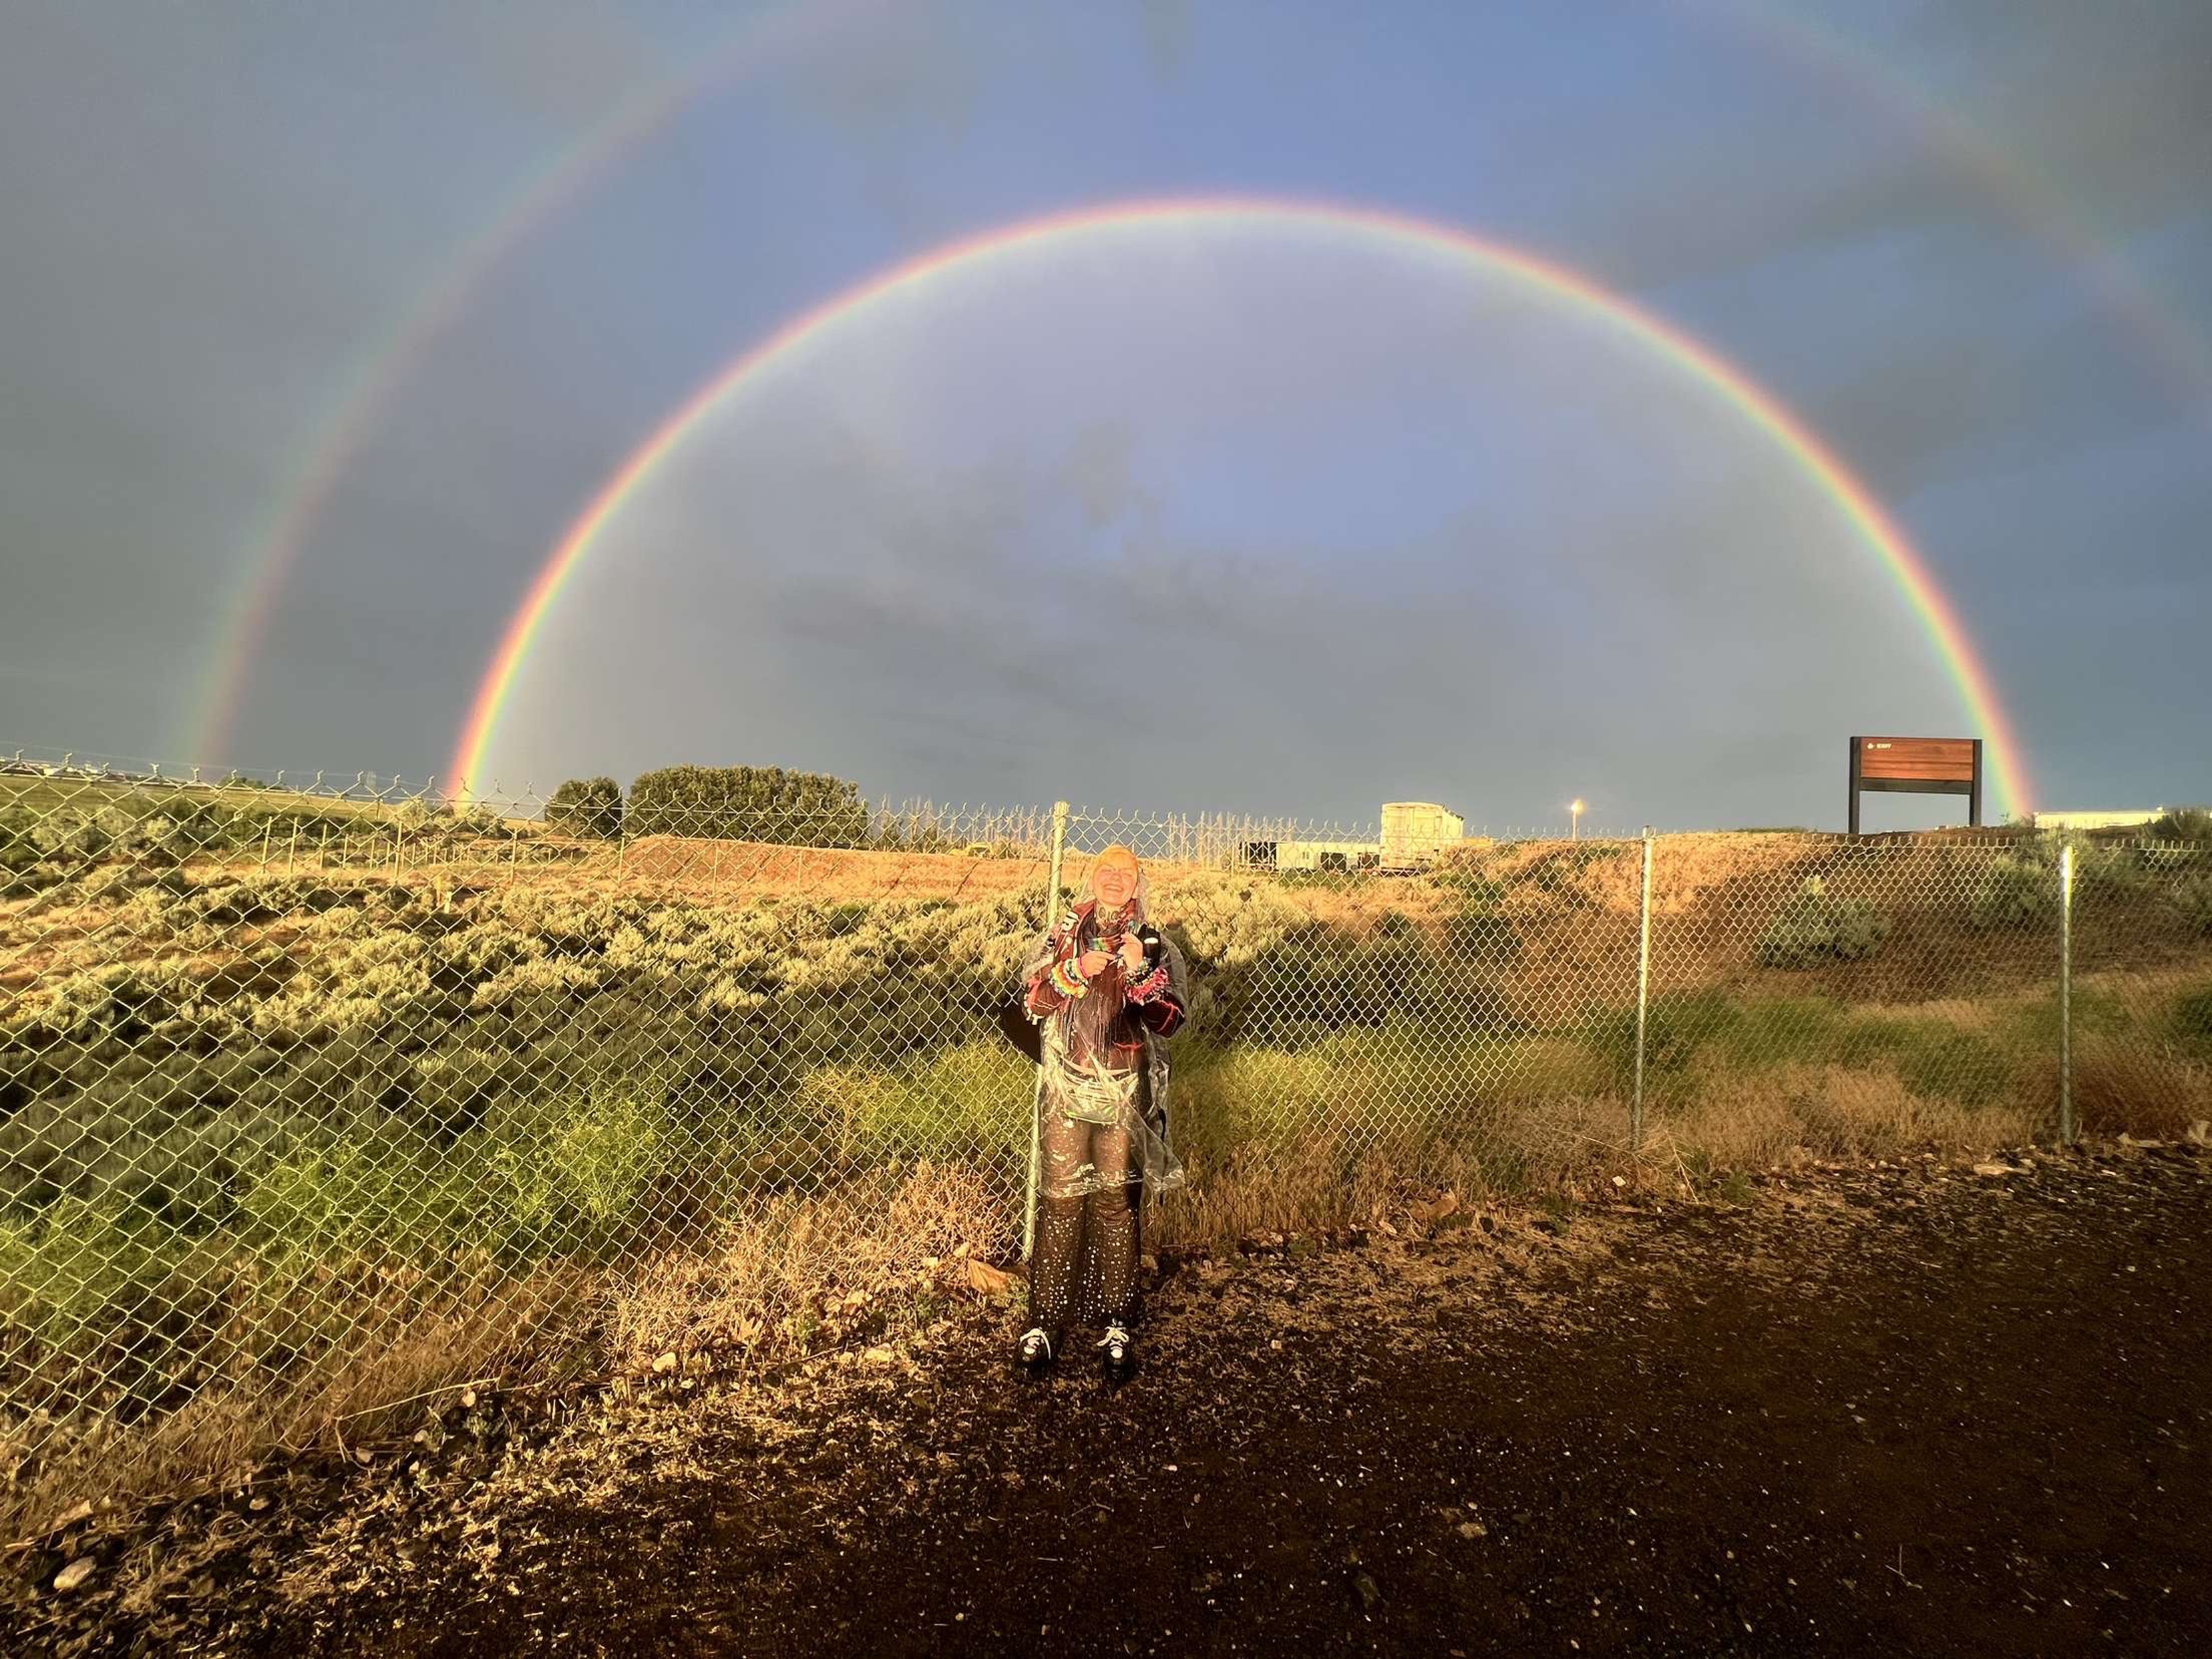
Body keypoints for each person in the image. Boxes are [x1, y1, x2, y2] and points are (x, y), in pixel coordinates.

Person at [1015, 843, 1188, 1380]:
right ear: (1091, 880)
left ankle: (1117, 1323)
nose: (1115, 880)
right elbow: (1030, 1003)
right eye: (1106, 871)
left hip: (1123, 1092)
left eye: (1126, 874)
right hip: (1065, 1090)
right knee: (1059, 1199)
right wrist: (1072, 972)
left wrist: (1139, 975)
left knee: (1116, 1201)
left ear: (1138, 885)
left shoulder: (1158, 947)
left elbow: (1171, 1022)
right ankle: (1043, 1324)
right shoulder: (1060, 937)